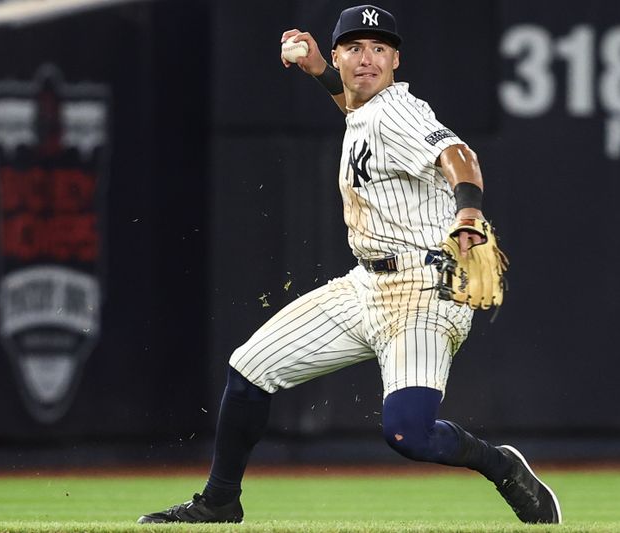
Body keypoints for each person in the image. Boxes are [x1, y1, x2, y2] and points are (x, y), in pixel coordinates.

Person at [138, 4, 561, 525]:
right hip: (365, 286)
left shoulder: (401, 112)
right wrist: (318, 71)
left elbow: (460, 155)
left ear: (396, 60)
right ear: (337, 55)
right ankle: (220, 500)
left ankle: (500, 464)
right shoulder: (366, 111)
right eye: (354, 48)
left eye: (379, 48)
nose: (367, 59)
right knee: (249, 370)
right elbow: (355, 109)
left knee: (410, 434)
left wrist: (469, 209)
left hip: (423, 291)